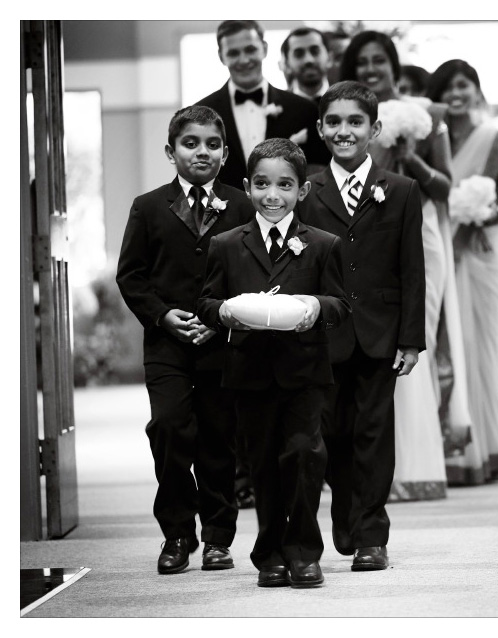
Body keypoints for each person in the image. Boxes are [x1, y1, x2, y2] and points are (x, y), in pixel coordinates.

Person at [197, 137, 351, 589]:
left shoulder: (323, 244)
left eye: (285, 185)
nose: (272, 194)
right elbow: (206, 300)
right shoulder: (226, 244)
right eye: (262, 183)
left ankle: (304, 550)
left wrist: (314, 308)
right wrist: (223, 311)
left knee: (304, 456)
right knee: (262, 463)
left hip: (305, 370)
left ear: (302, 190)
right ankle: (270, 552)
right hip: (250, 371)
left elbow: (341, 303)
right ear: (247, 186)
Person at [115, 105, 255, 574]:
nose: (202, 152)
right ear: (170, 151)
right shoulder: (148, 206)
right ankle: (177, 532)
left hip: (223, 342)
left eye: (212, 144)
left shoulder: (241, 205)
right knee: (171, 430)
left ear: (225, 152)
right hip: (167, 344)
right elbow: (131, 276)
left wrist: (224, 318)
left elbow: (253, 271)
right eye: (190, 143)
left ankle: (218, 536)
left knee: (220, 438)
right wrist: (161, 315)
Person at [341, 31, 470, 501]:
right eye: (362, 62)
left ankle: (417, 465)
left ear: (394, 66)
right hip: (363, 241)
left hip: (422, 235)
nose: (372, 68)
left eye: (380, 60)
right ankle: (371, 470)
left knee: (416, 336)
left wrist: (407, 157)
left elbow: (444, 188)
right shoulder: (343, 119)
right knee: (369, 344)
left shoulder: (429, 115)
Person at [302, 81, 425, 570]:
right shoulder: (307, 190)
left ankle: (373, 533)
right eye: (333, 122)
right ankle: (346, 510)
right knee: (332, 434)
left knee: (373, 433)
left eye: (355, 121)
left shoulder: (401, 190)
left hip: (379, 333)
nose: (344, 130)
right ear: (320, 129)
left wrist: (411, 339)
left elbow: (412, 270)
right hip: (325, 336)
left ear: (374, 129)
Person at [426, 59, 498, 484]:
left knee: (483, 348)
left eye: (463, 86)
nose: (455, 95)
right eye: (447, 88)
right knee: (451, 347)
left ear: (477, 91)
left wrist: (485, 212)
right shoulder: (433, 138)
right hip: (445, 247)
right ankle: (457, 453)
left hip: (483, 253)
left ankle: (491, 449)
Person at [196, 20, 330, 191]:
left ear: (264, 49)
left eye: (250, 49)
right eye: (233, 53)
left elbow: (318, 175)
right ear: (221, 56)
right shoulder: (201, 115)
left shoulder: (304, 109)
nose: (244, 60)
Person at [279, 26, 331, 104]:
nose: (308, 60)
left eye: (315, 51)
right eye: (298, 54)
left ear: (329, 57)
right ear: (287, 64)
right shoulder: (278, 103)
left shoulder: (347, 100)